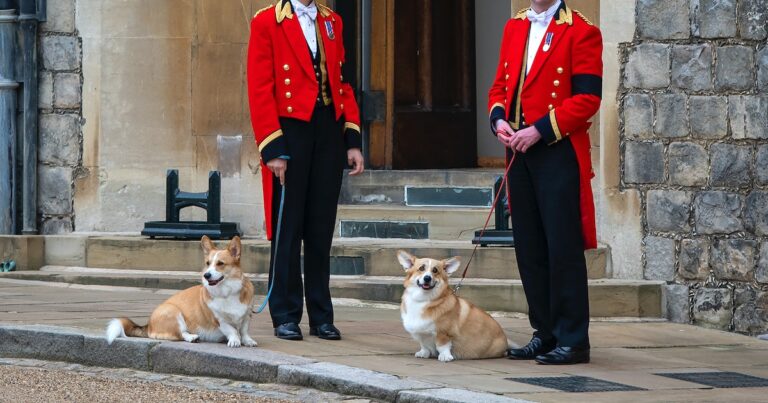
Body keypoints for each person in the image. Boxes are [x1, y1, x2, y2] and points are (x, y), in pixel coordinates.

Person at [488, 0, 602, 364]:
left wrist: (539, 130)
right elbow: (500, 86)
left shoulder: (582, 30)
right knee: (530, 247)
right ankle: (545, 332)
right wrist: (499, 120)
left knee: (562, 247)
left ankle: (573, 339)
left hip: (557, 150)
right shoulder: (514, 27)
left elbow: (587, 99)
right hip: (518, 151)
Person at [247, 0, 364, 341]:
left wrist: (352, 140)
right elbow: (259, 88)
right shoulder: (267, 21)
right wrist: (272, 148)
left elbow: (342, 84)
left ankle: (321, 315)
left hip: (327, 129)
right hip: (289, 132)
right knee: (288, 228)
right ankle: (284, 313)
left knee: (320, 227)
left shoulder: (333, 21)